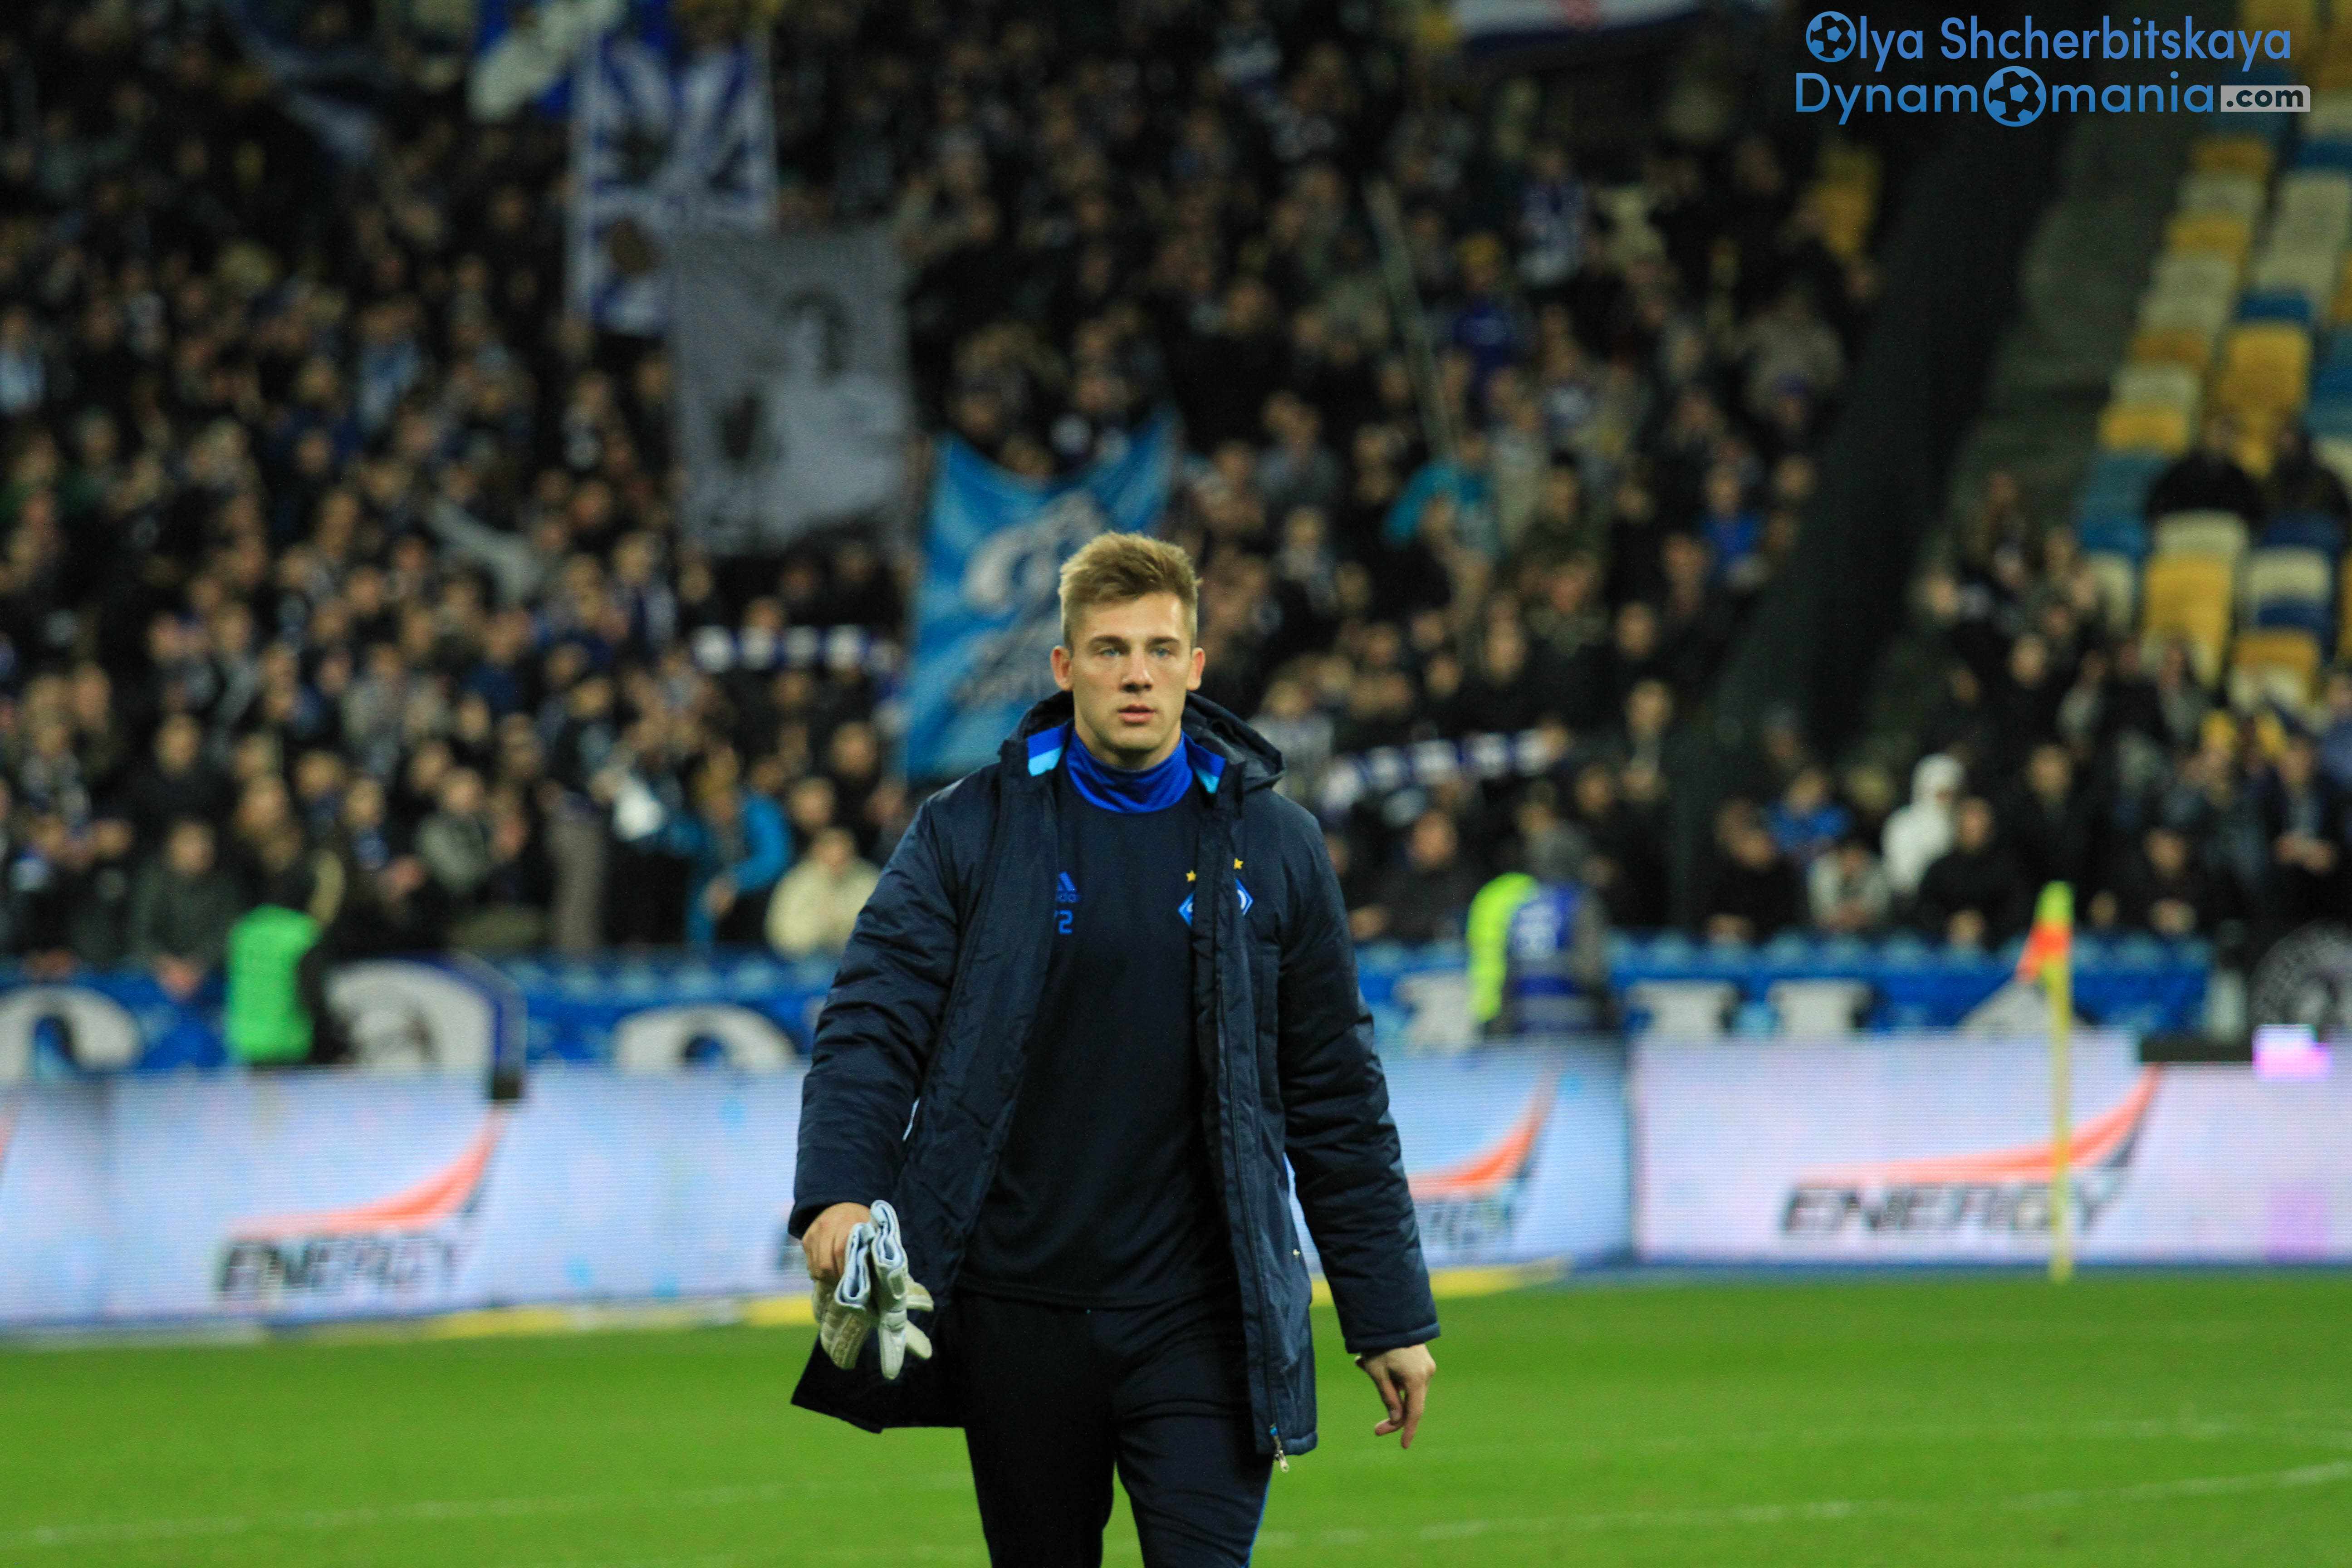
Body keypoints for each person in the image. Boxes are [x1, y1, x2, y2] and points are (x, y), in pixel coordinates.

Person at [790, 532, 1437, 1568]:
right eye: (1108, 649)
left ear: (1194, 665)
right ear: (1063, 667)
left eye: (1158, 648)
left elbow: (1335, 1094)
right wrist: (836, 1192)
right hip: (1017, 1312)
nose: (1135, 672)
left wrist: (1388, 1313)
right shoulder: (967, 831)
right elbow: (872, 1022)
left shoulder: (1276, 846)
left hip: (1203, 1316)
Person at [765, 826, 881, 959]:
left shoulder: (869, 879)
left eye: (843, 851)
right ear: (817, 851)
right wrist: (820, 930)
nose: (838, 857)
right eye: (831, 849)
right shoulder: (797, 882)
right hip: (807, 957)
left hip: (858, 954)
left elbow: (881, 926)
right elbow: (781, 932)